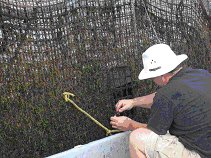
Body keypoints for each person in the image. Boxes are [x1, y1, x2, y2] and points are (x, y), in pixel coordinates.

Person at [110, 44, 211, 158]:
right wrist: (133, 102)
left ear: (162, 76)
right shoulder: (201, 74)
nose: (153, 80)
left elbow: (154, 130)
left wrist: (129, 124)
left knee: (137, 137)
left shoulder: (166, 94)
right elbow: (170, 97)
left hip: (200, 154)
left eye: (153, 77)